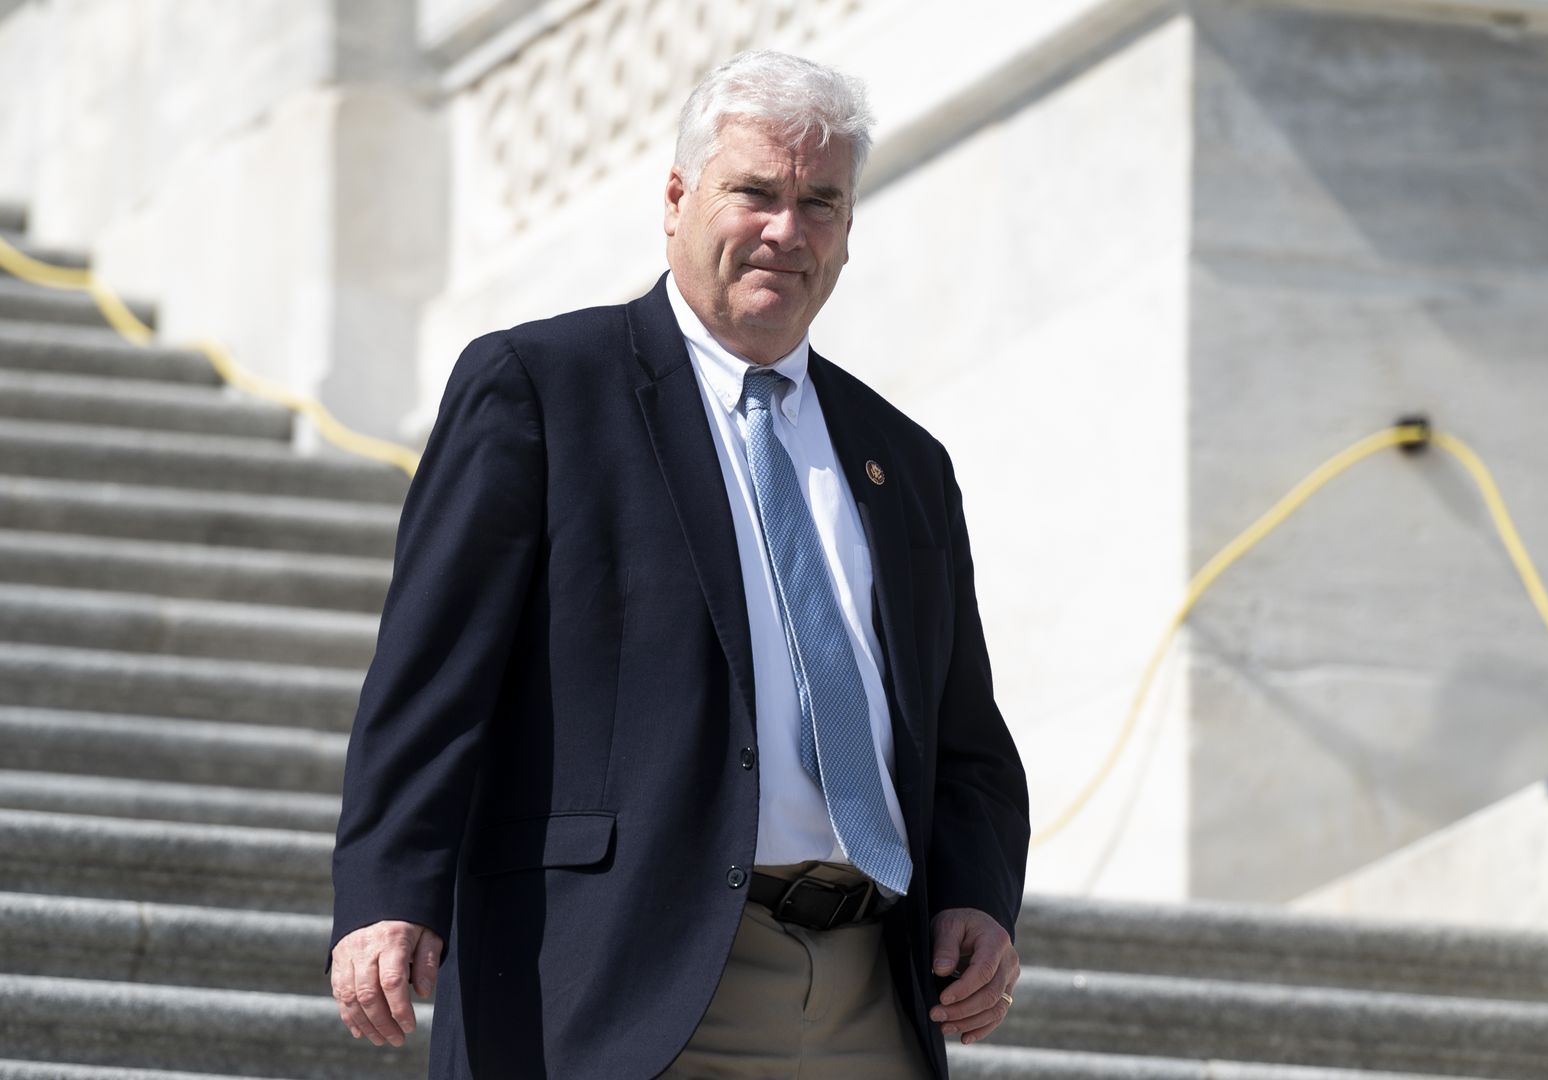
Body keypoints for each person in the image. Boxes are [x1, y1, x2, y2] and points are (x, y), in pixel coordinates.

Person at [324, 50, 1030, 1080]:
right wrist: (390, 891)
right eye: (757, 191)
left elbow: (962, 734)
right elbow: (430, 682)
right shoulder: (540, 391)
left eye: (821, 202)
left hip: (869, 996)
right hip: (623, 975)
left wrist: (976, 893)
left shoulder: (906, 461)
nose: (787, 230)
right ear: (676, 198)